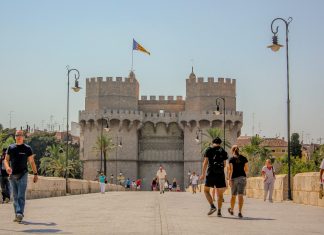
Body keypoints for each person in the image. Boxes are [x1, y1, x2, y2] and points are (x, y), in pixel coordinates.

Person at [4, 130, 38, 223]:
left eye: (20, 135)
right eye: (17, 135)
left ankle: (19, 213)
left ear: (23, 137)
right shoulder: (11, 148)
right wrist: (7, 168)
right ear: (15, 137)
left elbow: (31, 162)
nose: (18, 136)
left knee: (20, 195)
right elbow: (6, 160)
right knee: (14, 196)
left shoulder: (27, 148)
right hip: (12, 175)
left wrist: (35, 174)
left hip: (23, 174)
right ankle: (17, 215)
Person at [200, 137, 228, 217]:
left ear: (213, 143)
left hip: (211, 173)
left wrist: (203, 174)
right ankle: (219, 211)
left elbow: (205, 163)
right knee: (219, 194)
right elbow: (225, 164)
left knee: (206, 190)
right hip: (220, 174)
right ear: (220, 143)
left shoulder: (209, 149)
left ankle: (212, 206)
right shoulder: (223, 151)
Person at [228, 145, 248, 218]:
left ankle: (232, 210)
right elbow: (246, 169)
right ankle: (240, 212)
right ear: (238, 150)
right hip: (242, 178)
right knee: (240, 195)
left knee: (233, 196)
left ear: (232, 151)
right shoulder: (244, 158)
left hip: (234, 179)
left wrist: (229, 179)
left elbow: (231, 170)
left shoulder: (231, 159)